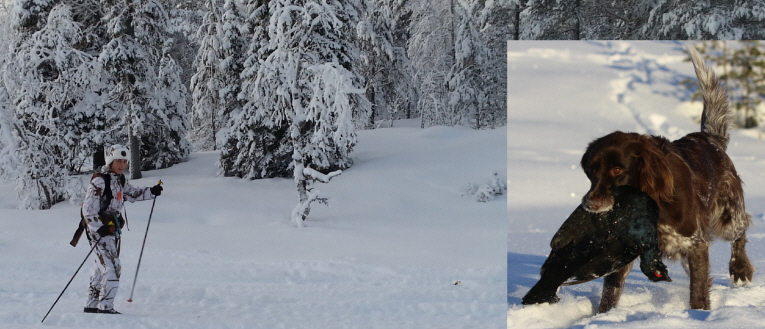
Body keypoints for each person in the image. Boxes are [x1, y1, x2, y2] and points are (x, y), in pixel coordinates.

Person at [81, 144, 163, 314]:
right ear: (110, 161)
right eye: (118, 160)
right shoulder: (100, 181)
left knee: (100, 268)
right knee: (112, 268)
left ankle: (91, 305)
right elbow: (88, 209)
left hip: (111, 231)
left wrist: (151, 192)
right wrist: (98, 228)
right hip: (99, 232)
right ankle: (106, 307)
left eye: (124, 161)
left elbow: (132, 193)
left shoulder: (119, 180)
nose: (122, 165)